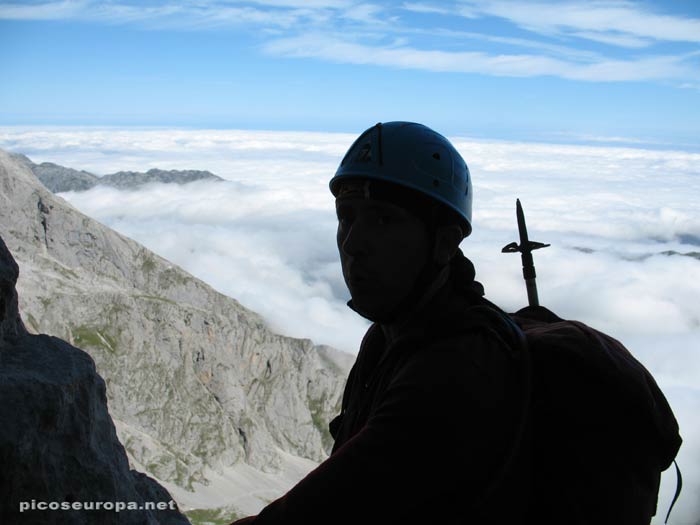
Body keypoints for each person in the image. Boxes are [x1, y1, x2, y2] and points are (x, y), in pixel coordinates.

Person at [231, 122, 531, 524]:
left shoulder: (454, 370)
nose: (353, 243)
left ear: (444, 242)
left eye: (384, 220)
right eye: (347, 217)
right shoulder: (390, 337)